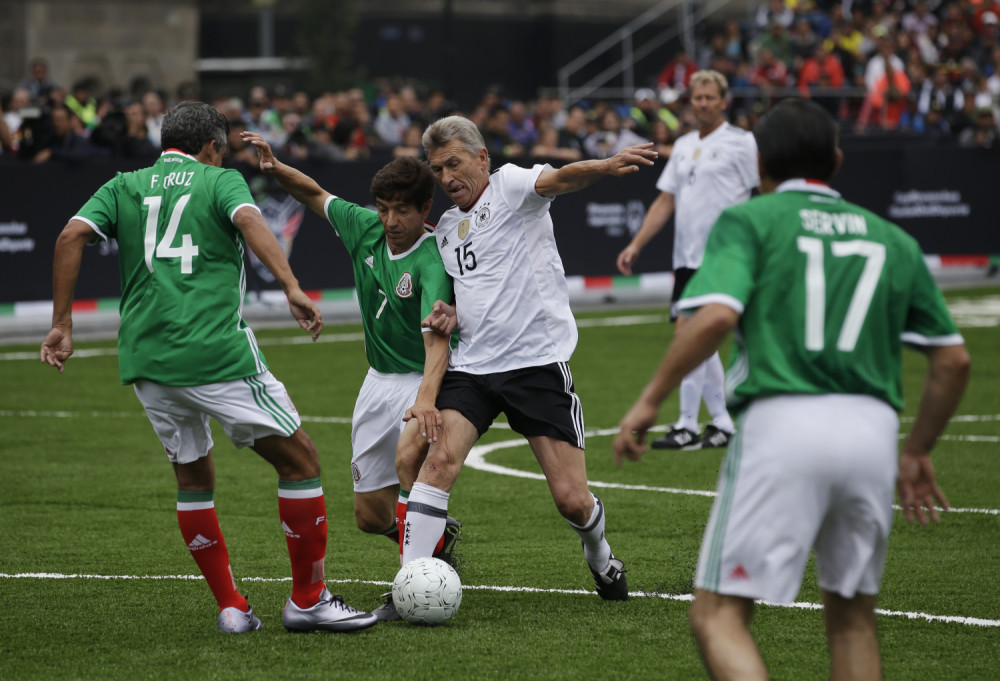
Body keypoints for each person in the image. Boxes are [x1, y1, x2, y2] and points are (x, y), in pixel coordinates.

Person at [614, 98, 970, 681]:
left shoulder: (750, 221)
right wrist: (919, 450)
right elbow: (953, 361)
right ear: (836, 159)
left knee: (718, 617)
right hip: (873, 434)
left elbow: (716, 318)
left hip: (782, 424)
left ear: (759, 165)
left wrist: (652, 397)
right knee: (854, 622)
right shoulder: (892, 239)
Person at [40, 101, 377, 635]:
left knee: (192, 477)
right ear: (214, 147)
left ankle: (231, 607)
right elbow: (251, 222)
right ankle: (308, 600)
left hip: (146, 359)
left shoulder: (124, 184)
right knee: (301, 460)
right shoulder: (220, 181)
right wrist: (292, 286)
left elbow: (68, 237)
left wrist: (62, 323)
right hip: (213, 351)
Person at [401, 115, 658, 601]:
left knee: (571, 500)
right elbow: (474, 291)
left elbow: (560, 178)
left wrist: (604, 165)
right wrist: (450, 313)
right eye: (437, 170)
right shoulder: (448, 229)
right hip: (474, 368)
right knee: (436, 465)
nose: (447, 177)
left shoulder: (512, 188)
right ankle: (409, 586)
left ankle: (601, 557)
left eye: (454, 164)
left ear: (482, 158)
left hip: (536, 365)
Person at [242, 132, 460, 622]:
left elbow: (436, 340)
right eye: (383, 208)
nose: (390, 221)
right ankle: (436, 535)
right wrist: (276, 170)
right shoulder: (365, 228)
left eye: (401, 210)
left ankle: (411, 588)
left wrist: (426, 400)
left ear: (425, 208)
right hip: (376, 382)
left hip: (422, 380)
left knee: (409, 463)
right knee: (369, 517)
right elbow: (316, 195)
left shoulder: (430, 261)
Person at [616, 70, 759, 451]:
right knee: (697, 339)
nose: (704, 104)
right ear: (690, 102)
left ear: (724, 101)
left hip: (725, 255)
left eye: (711, 97)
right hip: (687, 258)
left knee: (689, 335)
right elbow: (667, 200)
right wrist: (637, 244)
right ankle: (722, 422)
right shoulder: (681, 146)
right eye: (698, 98)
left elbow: (760, 194)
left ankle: (686, 424)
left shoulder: (742, 143)